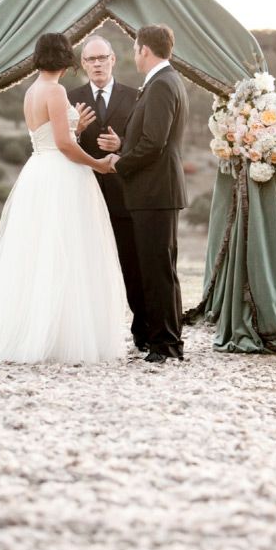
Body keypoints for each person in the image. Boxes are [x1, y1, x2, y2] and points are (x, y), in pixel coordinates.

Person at [0, 33, 126, 365]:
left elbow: (50, 136)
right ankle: (62, 337)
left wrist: (76, 125)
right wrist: (98, 165)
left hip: (38, 172)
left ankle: (40, 331)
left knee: (42, 252)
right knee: (69, 251)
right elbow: (63, 144)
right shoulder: (56, 90)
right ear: (65, 59)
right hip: (62, 174)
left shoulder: (32, 91)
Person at [109, 25, 189, 364]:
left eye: (135, 49)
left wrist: (119, 163)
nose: (134, 55)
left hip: (155, 192)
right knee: (160, 268)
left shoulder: (161, 85)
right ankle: (166, 341)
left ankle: (166, 345)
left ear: (144, 50)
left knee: (158, 270)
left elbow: (153, 143)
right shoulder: (165, 82)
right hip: (156, 191)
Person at [68, 35, 148, 351]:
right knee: (87, 266)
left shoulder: (135, 95)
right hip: (84, 195)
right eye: (90, 60)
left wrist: (122, 146)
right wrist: (75, 131)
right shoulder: (70, 97)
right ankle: (89, 334)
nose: (97, 64)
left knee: (132, 264)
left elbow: (145, 142)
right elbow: (60, 144)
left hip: (125, 196)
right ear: (83, 64)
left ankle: (142, 332)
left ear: (113, 59)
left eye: (102, 58)